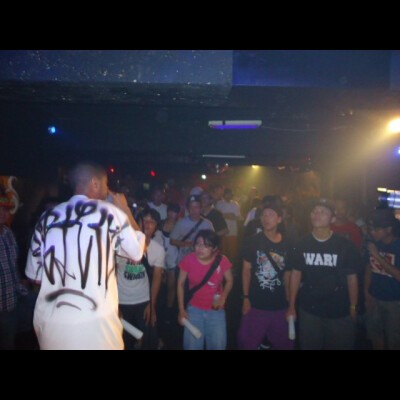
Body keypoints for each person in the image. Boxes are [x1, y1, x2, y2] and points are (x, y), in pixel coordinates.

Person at [25, 162, 145, 350]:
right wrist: (125, 210)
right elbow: (137, 254)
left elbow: (35, 277)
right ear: (95, 183)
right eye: (106, 184)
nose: (107, 190)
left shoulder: (47, 217)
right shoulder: (110, 213)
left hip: (51, 323)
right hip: (97, 324)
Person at [287, 199, 360, 350]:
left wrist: (353, 306)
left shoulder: (344, 245)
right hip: (310, 309)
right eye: (314, 211)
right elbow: (296, 274)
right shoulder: (302, 244)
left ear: (332, 219)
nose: (317, 215)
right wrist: (292, 305)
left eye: (323, 212)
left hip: (339, 309)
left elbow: (352, 277)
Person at [237, 200, 294, 350]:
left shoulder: (288, 244)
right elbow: (246, 271)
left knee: (284, 344)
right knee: (247, 342)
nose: (266, 218)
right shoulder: (252, 241)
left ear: (279, 219)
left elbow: (288, 275)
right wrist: (246, 298)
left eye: (271, 215)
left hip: (280, 304)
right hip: (256, 303)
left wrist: (290, 304)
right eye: (264, 215)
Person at [117, 208, 165, 350]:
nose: (147, 224)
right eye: (144, 220)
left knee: (150, 339)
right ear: (136, 222)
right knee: (122, 340)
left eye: (152, 222)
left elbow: (157, 279)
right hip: (121, 300)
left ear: (156, 227)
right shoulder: (121, 245)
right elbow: (111, 275)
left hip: (143, 300)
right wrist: (114, 305)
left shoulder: (158, 249)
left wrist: (152, 305)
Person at [177, 229, 233, 350]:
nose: (200, 248)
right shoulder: (189, 260)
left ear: (215, 248)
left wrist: (224, 297)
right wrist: (181, 309)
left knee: (217, 346)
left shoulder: (222, 260)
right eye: (198, 244)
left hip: (216, 310)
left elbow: (229, 280)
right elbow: (180, 284)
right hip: (194, 310)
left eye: (206, 245)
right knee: (192, 346)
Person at [365, 209, 400, 349]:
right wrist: (366, 291)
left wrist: (377, 255)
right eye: (371, 229)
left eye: (377, 229)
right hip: (375, 297)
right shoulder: (375, 243)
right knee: (375, 335)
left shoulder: (397, 247)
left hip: (395, 302)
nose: (373, 232)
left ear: (389, 229)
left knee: (394, 339)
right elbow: (369, 267)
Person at [0, 194, 22, 349]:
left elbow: (12, 267)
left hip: (10, 305)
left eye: (6, 209)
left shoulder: (9, 234)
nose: (3, 213)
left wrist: (22, 286)